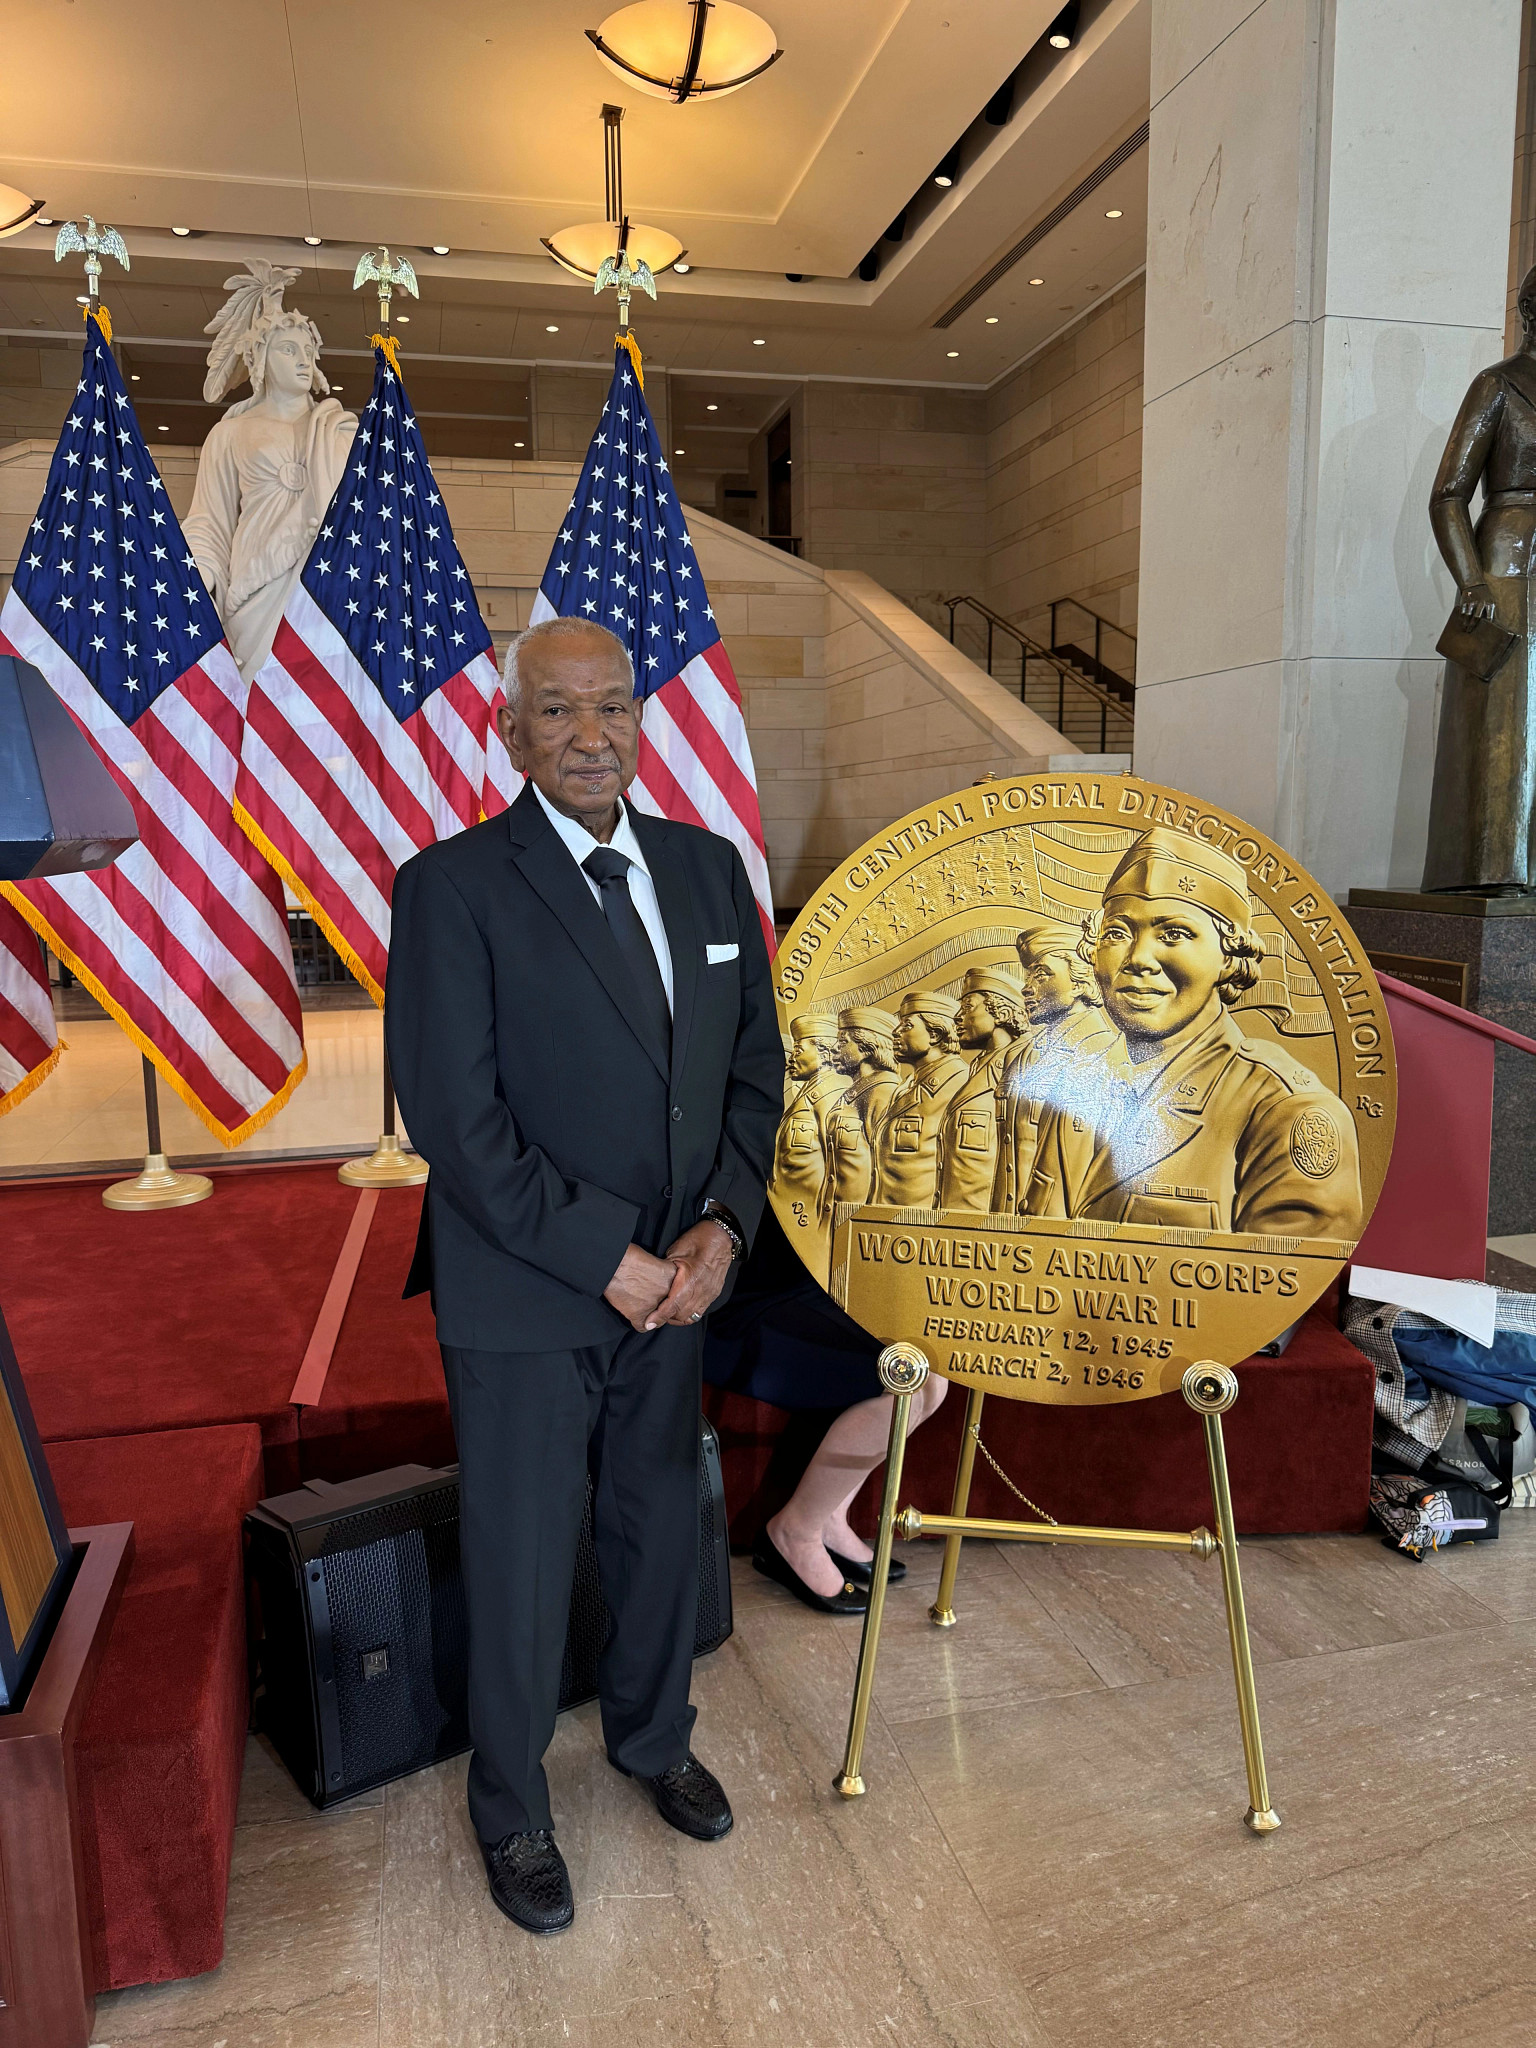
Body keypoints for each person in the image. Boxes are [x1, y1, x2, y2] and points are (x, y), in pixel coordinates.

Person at [387, 616, 781, 1937]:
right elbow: (454, 1117)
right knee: (521, 1549)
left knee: (660, 1523)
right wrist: (599, 1255)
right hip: (526, 1283)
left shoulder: (711, 871)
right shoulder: (452, 886)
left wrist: (719, 1232)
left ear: (643, 720)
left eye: (613, 706)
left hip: (681, 1280)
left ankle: (652, 1739)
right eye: (558, 713)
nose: (591, 735)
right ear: (511, 733)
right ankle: (510, 1808)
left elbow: (753, 1079)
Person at [1024, 829, 1363, 1236]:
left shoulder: (1285, 1111)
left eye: (1174, 934)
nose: (1138, 959)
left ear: (1229, 956)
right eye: (1117, 933)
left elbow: (1285, 1292)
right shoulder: (1076, 1084)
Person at [183, 261, 356, 681]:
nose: (303, 359)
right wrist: (198, 574)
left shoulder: (340, 432)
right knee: (258, 698)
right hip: (254, 586)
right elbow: (209, 519)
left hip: (324, 581)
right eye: (288, 349)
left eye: (308, 350)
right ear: (259, 357)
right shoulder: (231, 434)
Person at [993, 918, 1121, 1213]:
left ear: (1079, 982)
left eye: (1041, 976)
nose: (1026, 989)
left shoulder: (1105, 1053)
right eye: (1028, 978)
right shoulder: (1019, 1056)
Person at [937, 965, 1027, 1210]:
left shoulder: (1020, 1071)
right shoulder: (975, 1068)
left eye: (968, 1007)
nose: (957, 1016)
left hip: (985, 1228)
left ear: (1001, 1012)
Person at [870, 989, 969, 1207]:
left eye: (907, 1025)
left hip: (924, 1227)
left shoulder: (960, 1085)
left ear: (934, 1034)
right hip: (883, 1224)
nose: (895, 1032)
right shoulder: (904, 1087)